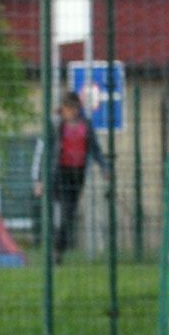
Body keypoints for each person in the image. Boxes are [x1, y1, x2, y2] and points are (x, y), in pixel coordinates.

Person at [31, 91, 109, 263]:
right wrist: (38, 180)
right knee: (63, 211)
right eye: (70, 109)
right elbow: (41, 153)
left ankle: (58, 248)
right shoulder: (55, 125)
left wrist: (104, 167)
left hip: (78, 174)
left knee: (70, 214)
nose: (73, 112)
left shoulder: (86, 125)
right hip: (60, 173)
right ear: (64, 109)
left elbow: (95, 148)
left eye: (76, 108)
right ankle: (56, 249)